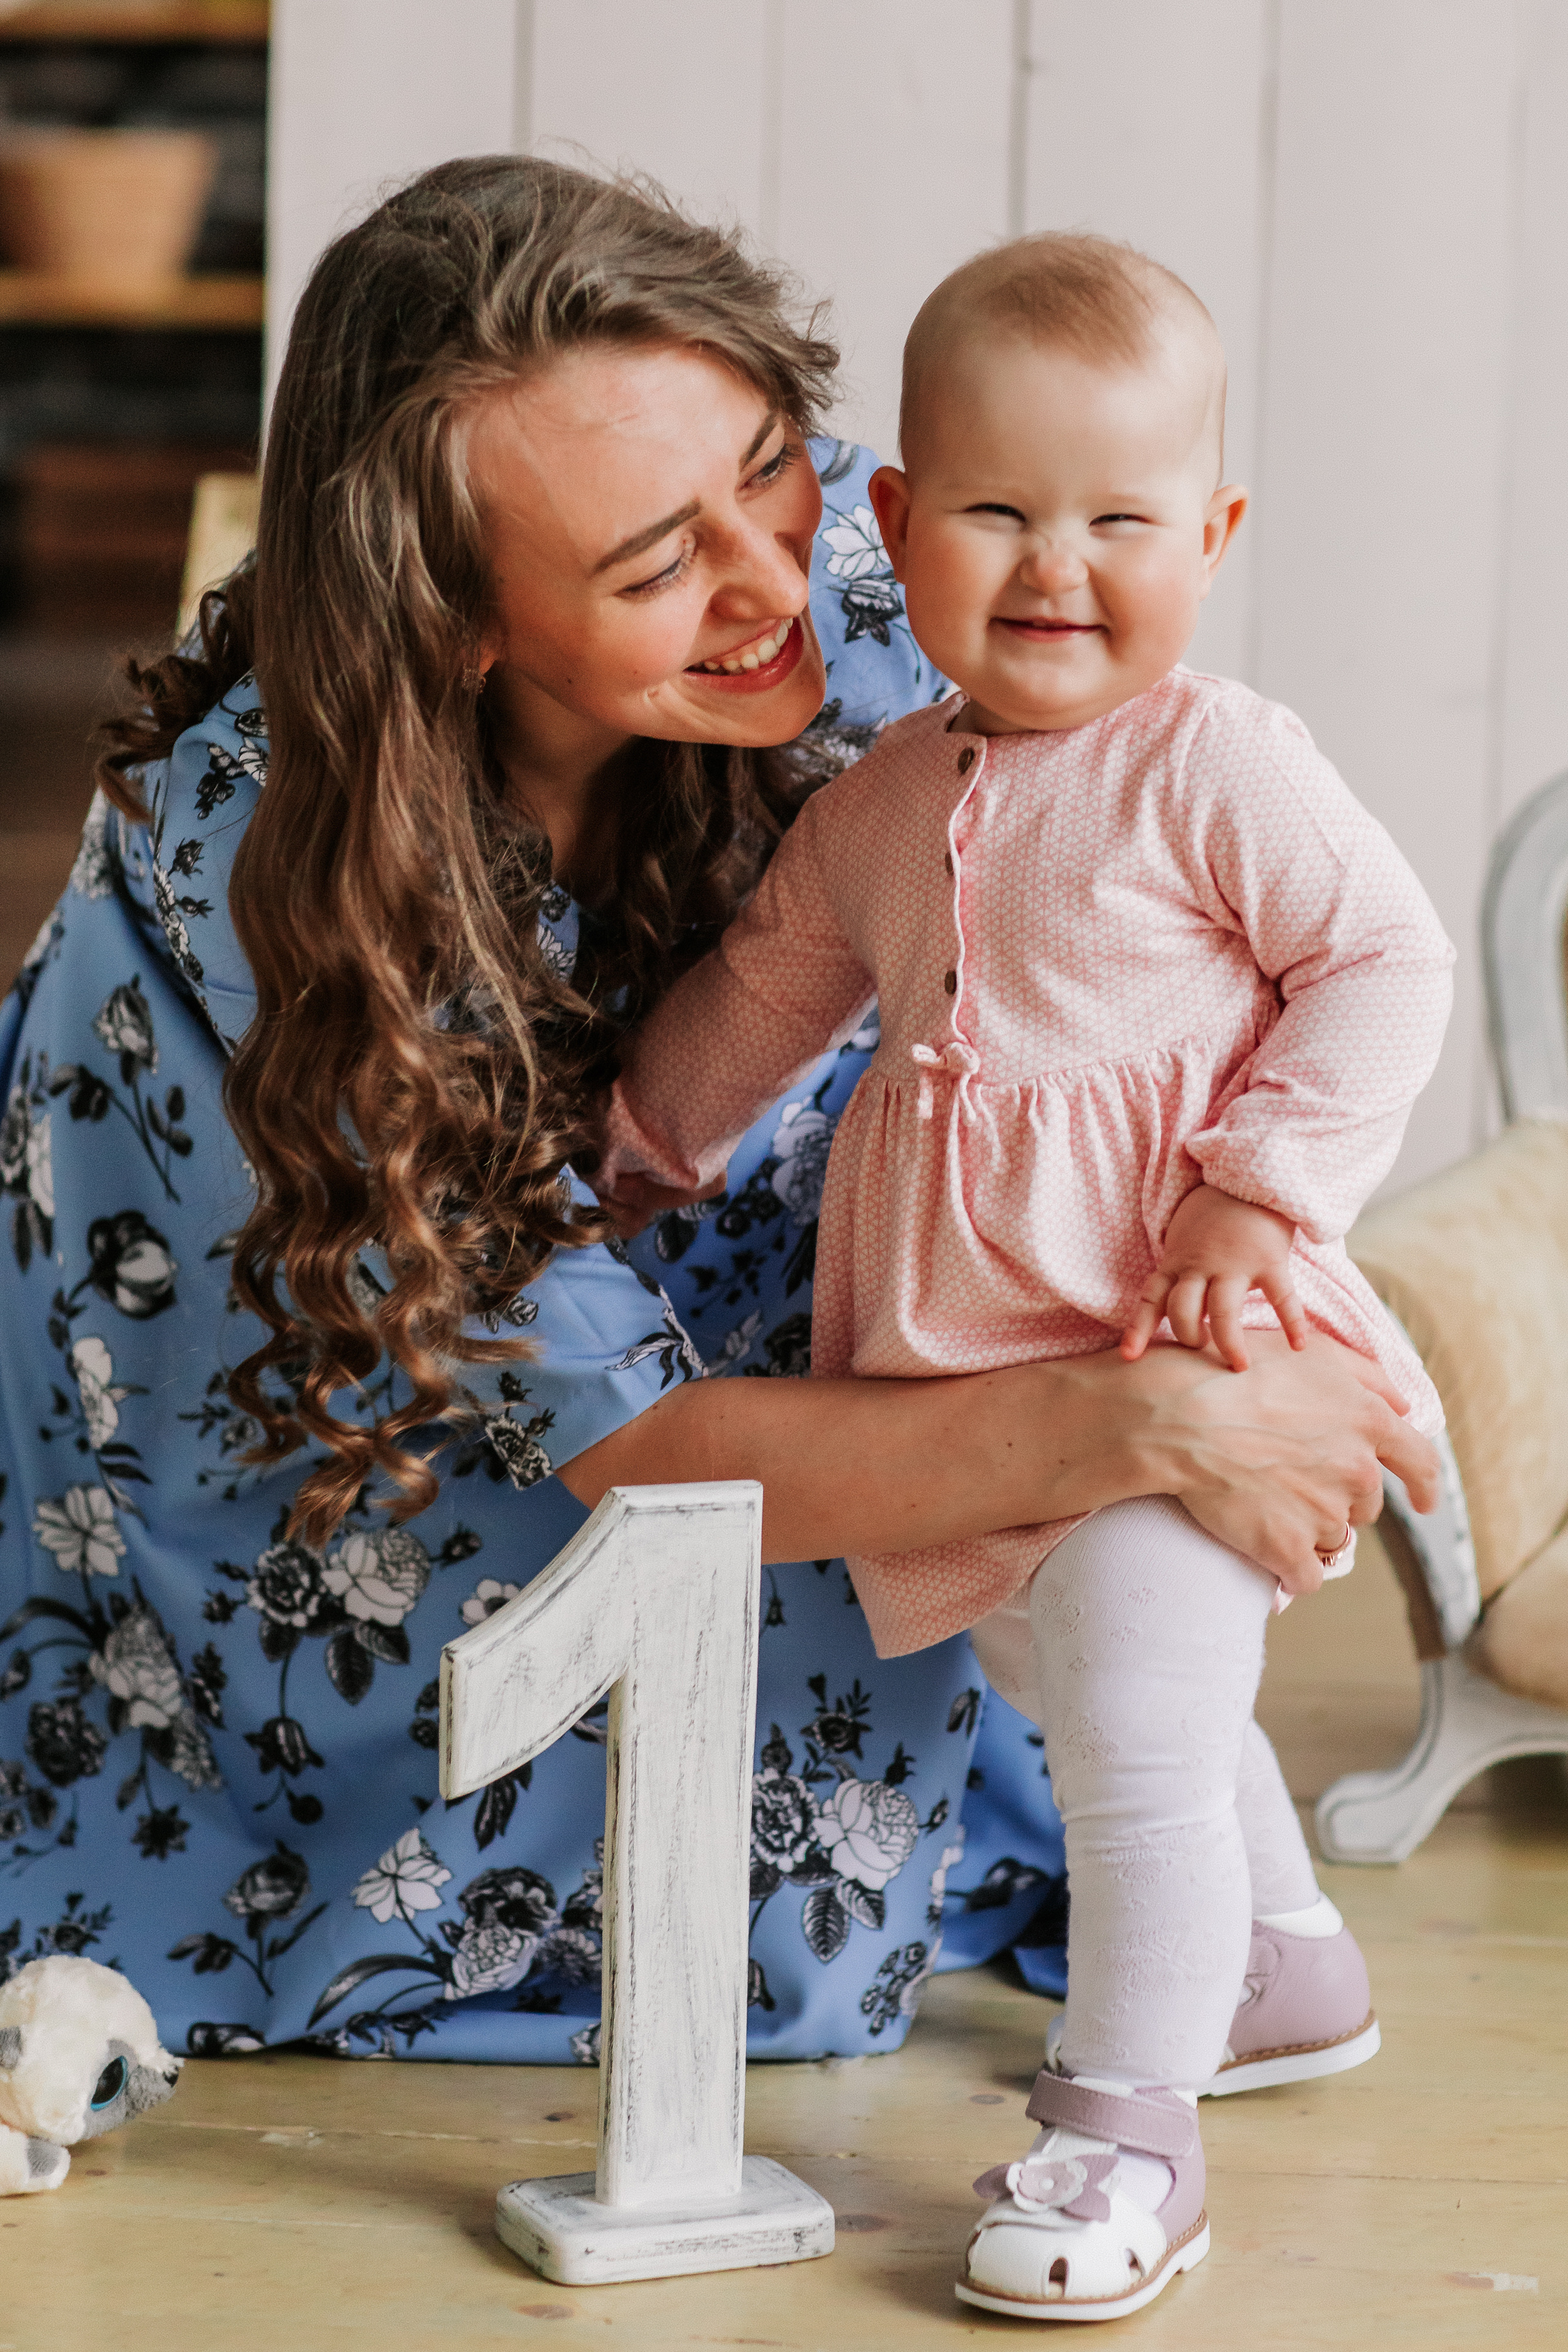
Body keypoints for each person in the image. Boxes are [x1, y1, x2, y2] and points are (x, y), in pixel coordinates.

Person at [0, 163, 1434, 2092]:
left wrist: (1237, 1243)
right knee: (751, 1909)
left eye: (766, 458)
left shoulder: (885, 545)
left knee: (995, 1684)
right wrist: (1143, 1424)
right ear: (461, 624)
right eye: (656, 562)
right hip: (335, 1421)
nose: (784, 579)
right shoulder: (282, 876)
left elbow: (1125, 931)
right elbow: (628, 1442)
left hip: (738, 1305)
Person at [597, 232, 1453, 2320]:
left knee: (1139, 1738)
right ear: (898, 526)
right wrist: (636, 1149)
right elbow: (765, 992)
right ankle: (1284, 1971)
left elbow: (1386, 960)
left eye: (1121, 519)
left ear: (1216, 536)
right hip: (974, 1384)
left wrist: (1256, 1189)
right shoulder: (882, 804)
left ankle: (1120, 2133)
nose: (1058, 563)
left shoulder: (1214, 764)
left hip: (1183, 1345)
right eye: (997, 511)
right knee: (1090, 1686)